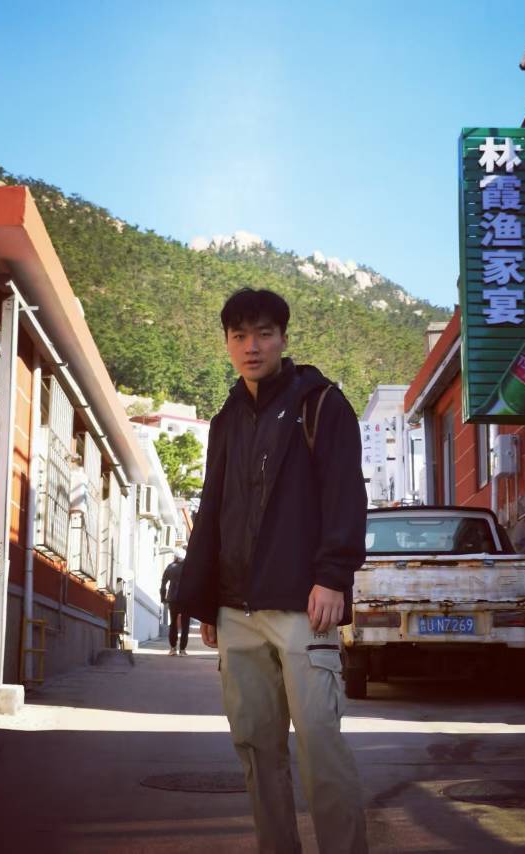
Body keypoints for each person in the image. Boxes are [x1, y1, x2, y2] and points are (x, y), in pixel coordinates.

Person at [178, 288, 368, 853]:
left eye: (263, 334)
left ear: (284, 338)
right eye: (239, 336)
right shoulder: (225, 420)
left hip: (304, 606)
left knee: (319, 745)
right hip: (236, 610)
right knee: (257, 751)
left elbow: (344, 495)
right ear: (227, 344)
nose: (251, 346)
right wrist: (204, 598)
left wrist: (333, 576)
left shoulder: (322, 404)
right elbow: (214, 510)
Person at [160, 551, 190, 656]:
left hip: (172, 599)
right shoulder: (189, 567)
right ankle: (183, 650)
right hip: (186, 599)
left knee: (173, 623)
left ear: (176, 557)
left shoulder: (170, 567)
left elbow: (163, 584)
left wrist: (163, 598)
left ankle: (173, 649)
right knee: (185, 624)